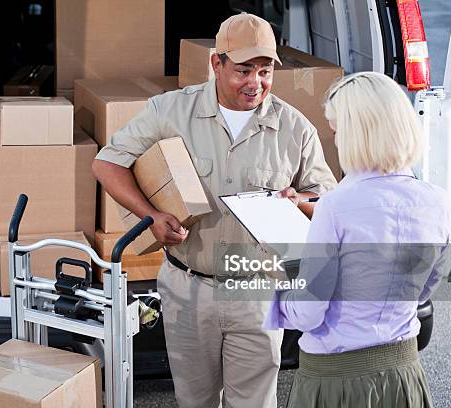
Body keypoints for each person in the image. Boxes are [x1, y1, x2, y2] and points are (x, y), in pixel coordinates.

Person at [92, 13, 336, 408]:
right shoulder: (170, 112)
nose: (255, 83)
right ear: (216, 64)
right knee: (194, 400)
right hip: (189, 288)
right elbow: (108, 163)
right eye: (243, 70)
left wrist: (300, 204)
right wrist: (150, 215)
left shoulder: (295, 129)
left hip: (256, 292)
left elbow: (328, 202)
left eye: (265, 71)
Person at [264, 72, 451, 408]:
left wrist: (277, 286)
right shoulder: (437, 201)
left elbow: (308, 314)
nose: (334, 141)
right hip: (403, 374)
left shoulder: (336, 208)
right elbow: (424, 290)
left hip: (337, 380)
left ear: (356, 135)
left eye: (336, 132)